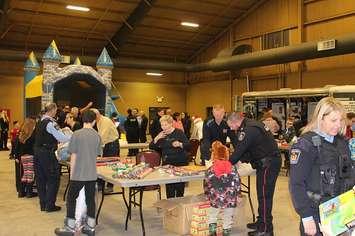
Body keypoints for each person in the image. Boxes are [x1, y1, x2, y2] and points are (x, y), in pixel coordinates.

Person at [289, 97, 355, 236]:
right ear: (321, 118)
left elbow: (348, 171)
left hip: (342, 210)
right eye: (333, 120)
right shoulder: (305, 145)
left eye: (341, 120)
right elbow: (296, 184)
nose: (338, 125)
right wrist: (306, 217)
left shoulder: (341, 142)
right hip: (316, 211)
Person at [227, 111, 281, 236]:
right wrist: (238, 161)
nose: (230, 128)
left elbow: (240, 150)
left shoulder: (248, 129)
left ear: (236, 121)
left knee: (264, 196)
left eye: (231, 125)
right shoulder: (253, 124)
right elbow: (250, 150)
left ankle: (266, 229)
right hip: (266, 163)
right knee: (262, 195)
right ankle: (261, 221)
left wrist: (226, 164)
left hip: (268, 164)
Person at [55, 110, 102, 236]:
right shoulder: (97, 135)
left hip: (78, 174)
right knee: (90, 200)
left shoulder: (76, 134)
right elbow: (97, 157)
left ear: (82, 120)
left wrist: (72, 174)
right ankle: (90, 227)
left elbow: (73, 156)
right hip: (92, 174)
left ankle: (70, 227)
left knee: (71, 198)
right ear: (93, 121)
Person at [34, 103, 70, 212]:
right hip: (48, 153)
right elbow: (62, 138)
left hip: (37, 152)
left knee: (41, 179)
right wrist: (70, 136)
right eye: (55, 110)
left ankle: (43, 204)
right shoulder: (51, 123)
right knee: (53, 177)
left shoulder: (40, 121)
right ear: (53, 110)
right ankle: (50, 205)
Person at [204, 141, 241, 236]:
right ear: (227, 155)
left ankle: (212, 233)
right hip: (230, 198)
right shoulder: (232, 168)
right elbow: (237, 183)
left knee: (212, 215)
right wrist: (238, 195)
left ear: (214, 155)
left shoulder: (210, 169)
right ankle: (226, 233)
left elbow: (207, 183)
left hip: (215, 197)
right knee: (227, 217)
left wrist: (207, 195)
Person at [149, 115, 191, 198]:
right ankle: (170, 208)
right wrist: (157, 138)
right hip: (167, 163)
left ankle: (179, 207)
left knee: (179, 189)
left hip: (180, 162)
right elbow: (151, 147)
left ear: (171, 124)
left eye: (165, 125)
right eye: (162, 125)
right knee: (169, 189)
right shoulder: (161, 134)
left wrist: (180, 144)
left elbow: (188, 146)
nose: (163, 127)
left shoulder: (179, 132)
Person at [91, 108, 119, 193]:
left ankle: (110, 186)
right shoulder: (98, 121)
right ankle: (100, 185)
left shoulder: (105, 121)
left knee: (110, 165)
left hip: (112, 144)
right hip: (107, 144)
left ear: (96, 115)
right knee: (102, 165)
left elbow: (102, 137)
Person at [16, 117, 37, 198]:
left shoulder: (22, 134)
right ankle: (29, 192)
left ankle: (21, 192)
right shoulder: (33, 135)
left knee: (25, 173)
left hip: (23, 157)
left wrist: (17, 156)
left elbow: (18, 146)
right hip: (31, 155)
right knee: (30, 173)